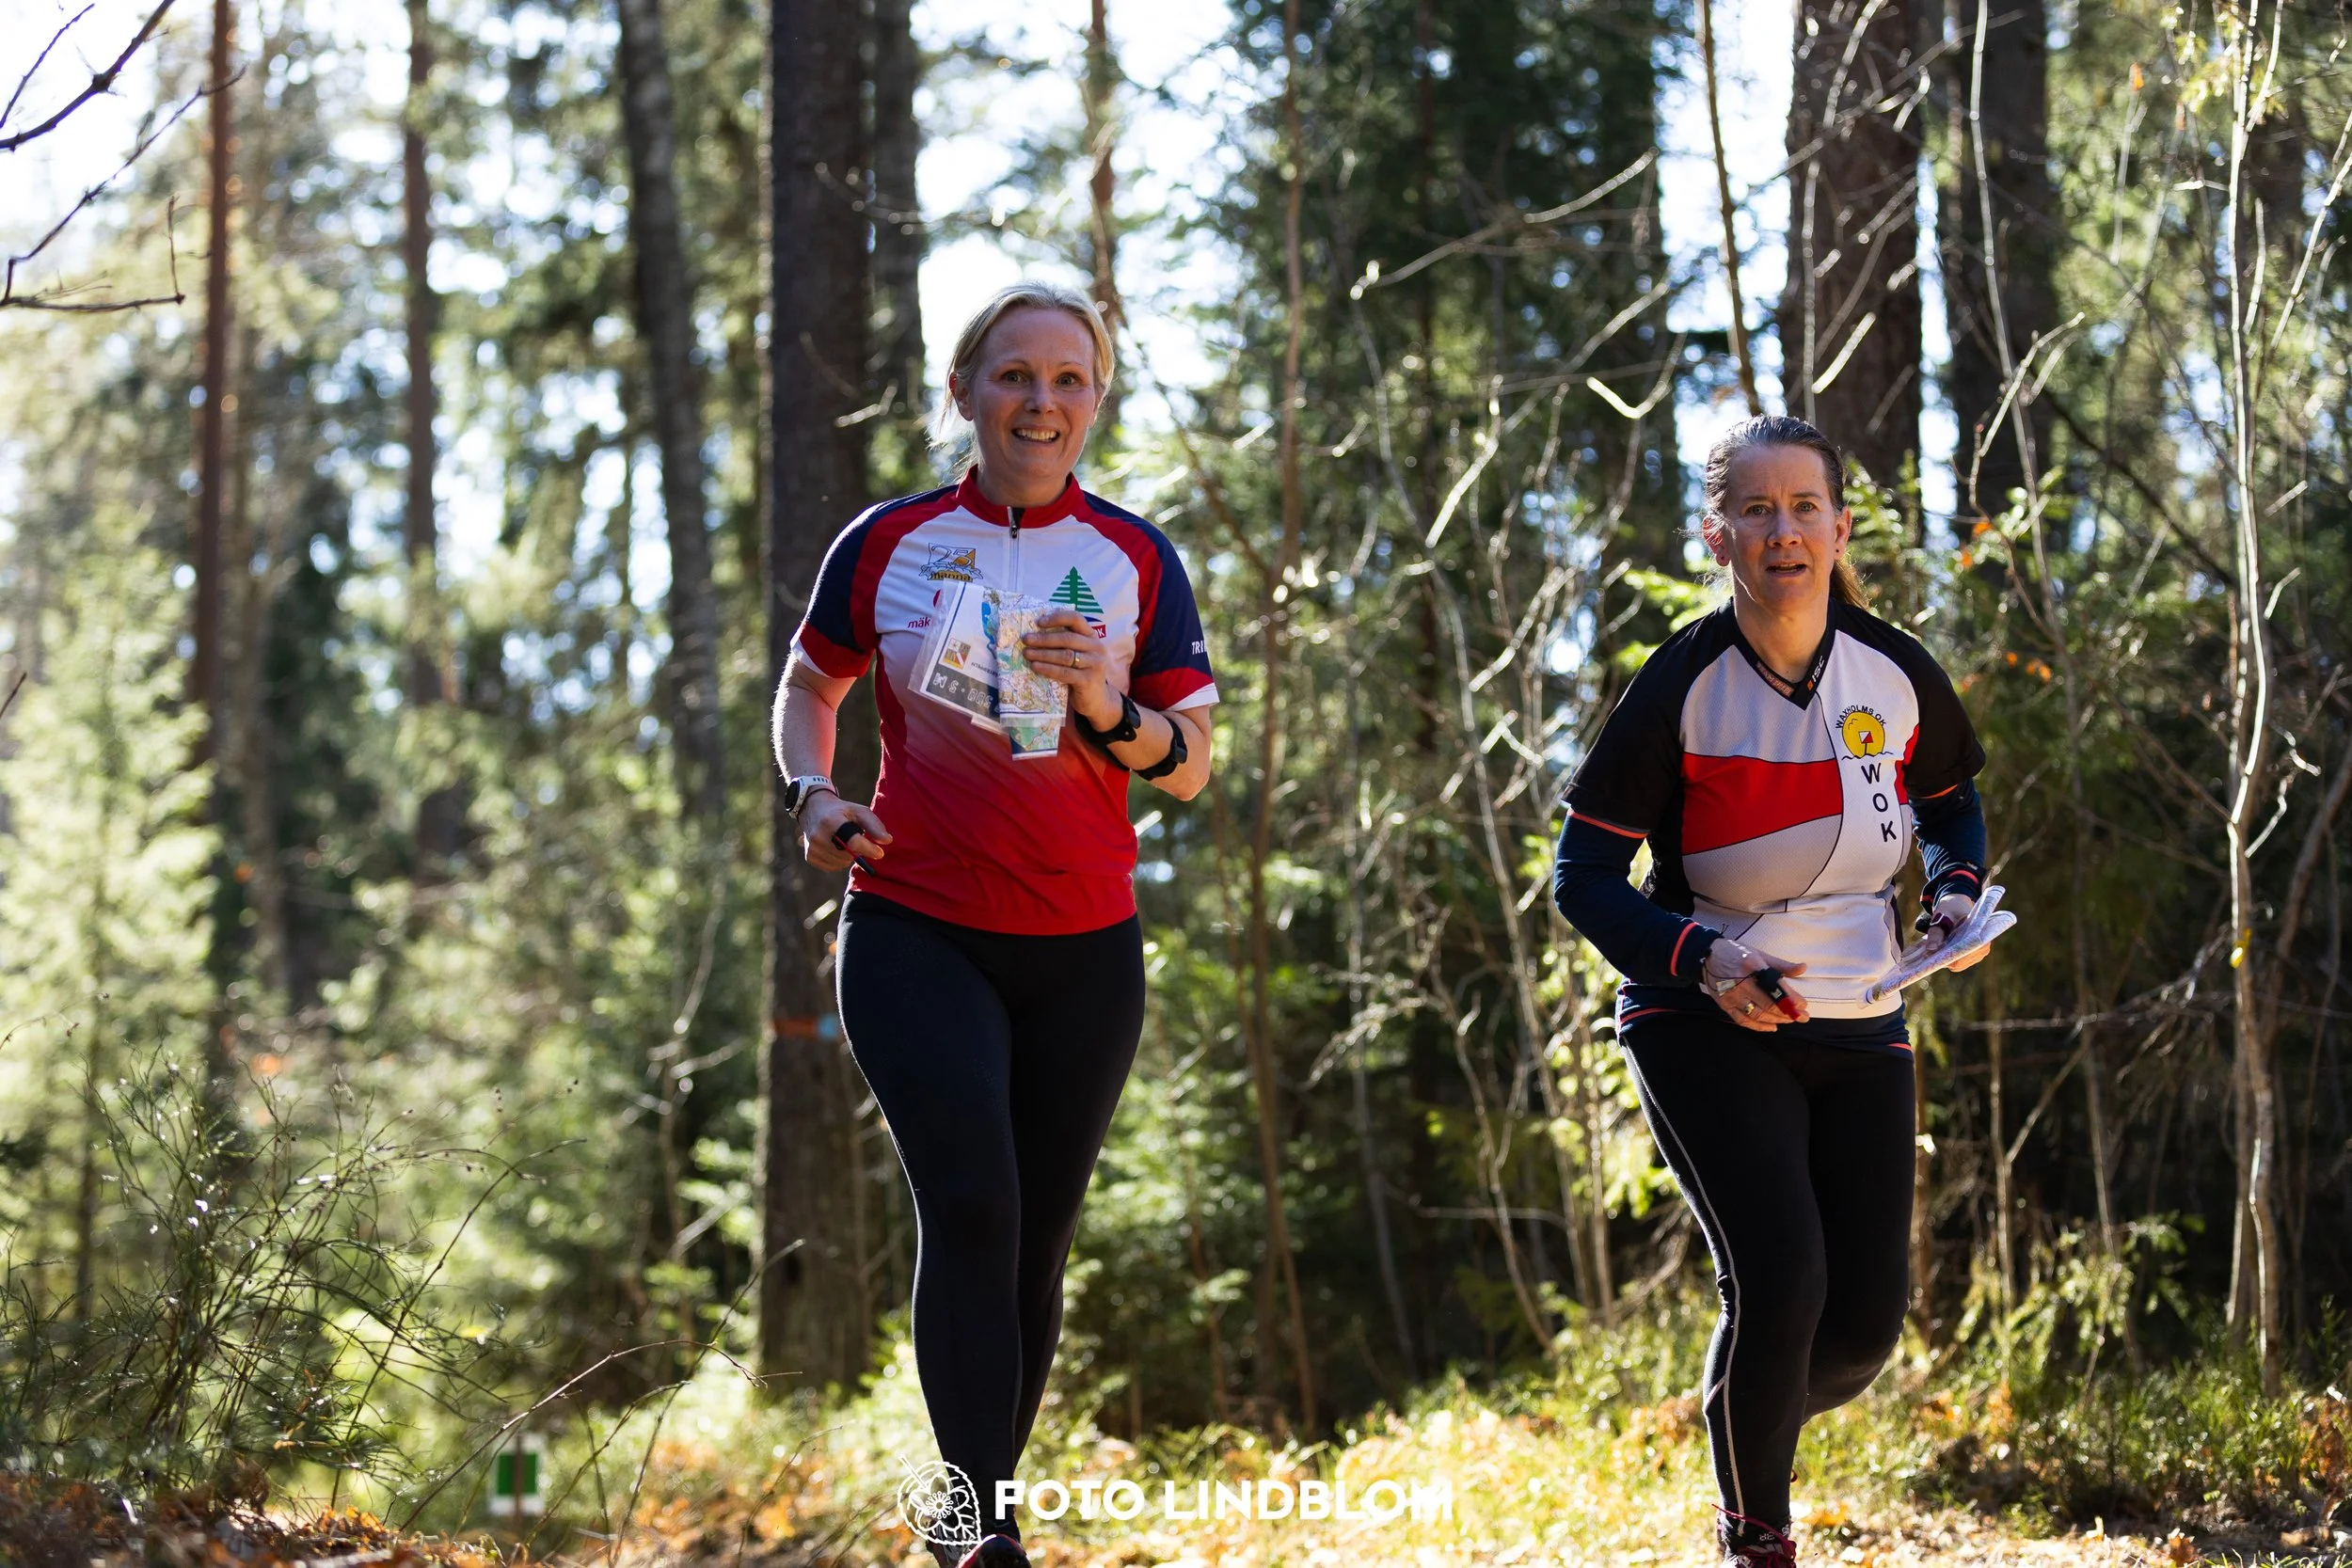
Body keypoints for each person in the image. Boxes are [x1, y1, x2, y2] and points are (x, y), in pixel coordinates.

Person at [771, 281, 1216, 1568]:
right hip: (919, 923)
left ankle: (969, 1503)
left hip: (1084, 948)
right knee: (972, 1200)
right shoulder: (889, 539)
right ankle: (983, 1536)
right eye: (1014, 375)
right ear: (964, 391)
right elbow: (813, 681)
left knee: (1034, 1238)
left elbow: (1187, 762)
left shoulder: (1136, 558)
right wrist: (816, 791)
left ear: (1096, 401)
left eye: (1070, 379)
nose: (1042, 400)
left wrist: (1108, 707)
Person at [1550, 416, 1990, 1568]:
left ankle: (1741, 1413)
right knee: (1781, 1276)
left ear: (1840, 530)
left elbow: (1948, 803)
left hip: (1865, 1013)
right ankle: (1757, 1536)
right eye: (1756, 509)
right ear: (1719, 536)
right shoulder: (1678, 687)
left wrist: (1954, 894)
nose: (1782, 530)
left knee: (1855, 1331)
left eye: (1804, 508)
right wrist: (1704, 961)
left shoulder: (1892, 672)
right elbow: (1583, 878)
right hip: (1702, 1015)